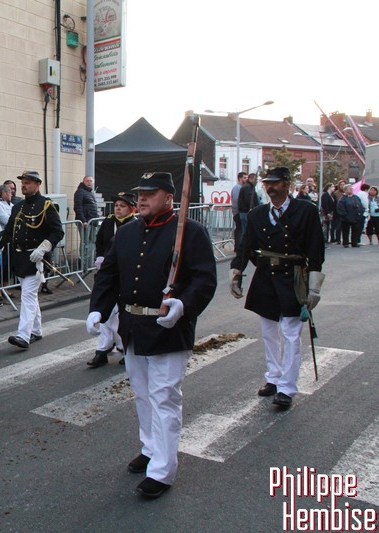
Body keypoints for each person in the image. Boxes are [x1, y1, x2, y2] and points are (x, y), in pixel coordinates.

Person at [87, 172, 217, 499]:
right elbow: (109, 275)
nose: (141, 199)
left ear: (170, 198)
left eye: (150, 193)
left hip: (168, 329)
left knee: (164, 397)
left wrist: (183, 305)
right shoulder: (127, 233)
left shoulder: (189, 232)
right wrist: (98, 309)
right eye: (139, 193)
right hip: (132, 326)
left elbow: (204, 279)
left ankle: (162, 469)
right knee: (143, 395)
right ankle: (149, 447)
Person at [230, 167, 325, 410]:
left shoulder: (306, 211)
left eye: (275, 183)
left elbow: (316, 247)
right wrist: (237, 271)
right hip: (265, 276)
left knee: (291, 333)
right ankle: (273, 376)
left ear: (287, 184)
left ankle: (287, 387)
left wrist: (314, 286)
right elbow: (246, 245)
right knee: (268, 332)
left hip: (293, 276)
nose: (270, 187)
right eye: (267, 183)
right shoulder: (257, 214)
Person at [0, 170, 64, 350]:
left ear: (38, 184)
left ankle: (23, 335)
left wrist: (44, 247)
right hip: (20, 257)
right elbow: (8, 231)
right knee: (29, 295)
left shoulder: (46, 205)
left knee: (27, 296)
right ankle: (37, 330)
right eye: (23, 182)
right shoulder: (18, 207)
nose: (24, 185)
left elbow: (57, 231)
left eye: (28, 182)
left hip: (36, 257)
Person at [87, 191, 137, 368]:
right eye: (116, 206)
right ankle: (102, 350)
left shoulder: (134, 225)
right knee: (106, 313)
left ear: (131, 209)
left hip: (125, 274)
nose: (118, 209)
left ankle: (124, 347)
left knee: (121, 315)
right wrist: (100, 256)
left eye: (122, 206)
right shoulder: (109, 222)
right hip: (108, 272)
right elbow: (100, 241)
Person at [231, 172, 246, 249]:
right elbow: (237, 200)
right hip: (238, 212)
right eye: (244, 178)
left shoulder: (241, 188)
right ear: (240, 179)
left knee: (240, 229)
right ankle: (238, 247)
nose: (246, 179)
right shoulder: (237, 188)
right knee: (239, 230)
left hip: (240, 212)